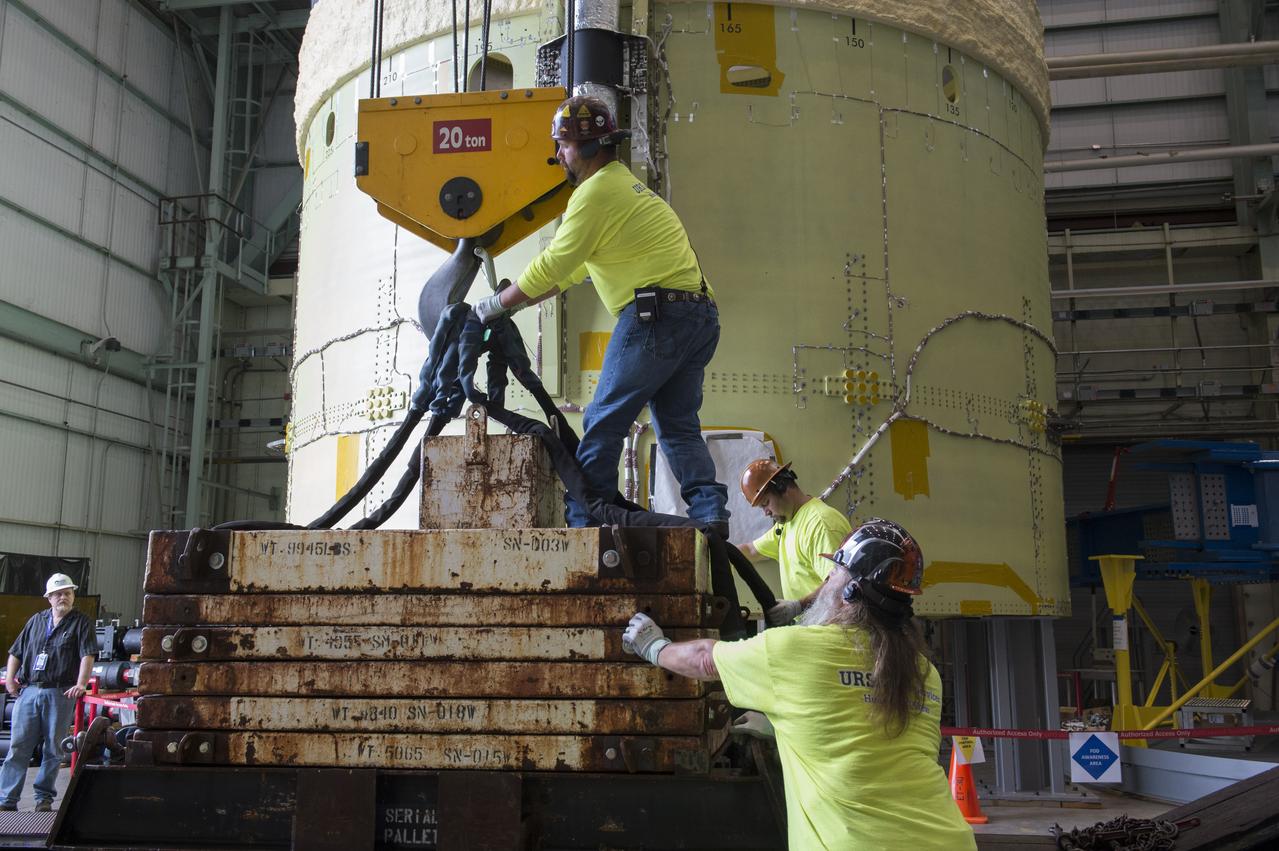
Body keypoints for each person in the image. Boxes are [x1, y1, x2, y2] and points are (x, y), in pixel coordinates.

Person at [623, 519, 976, 850]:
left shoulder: (795, 650)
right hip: (947, 838)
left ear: (848, 590)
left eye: (835, 571)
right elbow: (871, 733)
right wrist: (783, 725)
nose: (828, 578)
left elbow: (703, 658)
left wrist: (655, 646)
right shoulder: (924, 671)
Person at [474, 95, 729, 535]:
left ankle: (586, 521)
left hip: (657, 315)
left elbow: (554, 263)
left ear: (591, 147)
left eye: (565, 145)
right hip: (698, 317)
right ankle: (709, 515)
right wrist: (515, 302)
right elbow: (568, 274)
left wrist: (491, 307)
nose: (558, 156)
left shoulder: (594, 194)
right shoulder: (623, 189)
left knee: (602, 418)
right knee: (678, 426)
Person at [0, 574, 96, 812]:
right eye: (58, 594)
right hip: (30, 691)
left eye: (67, 593)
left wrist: (81, 683)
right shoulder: (35, 621)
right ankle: (6, 800)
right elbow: (16, 652)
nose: (63, 597)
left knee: (53, 749)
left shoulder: (81, 622)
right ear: (49, 598)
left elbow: (87, 655)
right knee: (18, 747)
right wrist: (10, 679)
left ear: (73, 596)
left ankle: (43, 799)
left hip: (59, 693)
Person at [737, 458, 851, 625]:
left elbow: (839, 584)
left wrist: (798, 606)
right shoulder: (788, 523)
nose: (766, 513)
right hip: (810, 624)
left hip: (829, 628)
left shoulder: (820, 523)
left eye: (766, 503)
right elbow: (751, 550)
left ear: (782, 488)